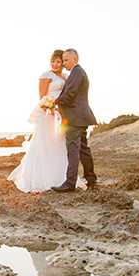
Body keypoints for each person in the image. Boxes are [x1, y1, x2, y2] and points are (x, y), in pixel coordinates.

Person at [8, 50, 77, 193]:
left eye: (59, 62)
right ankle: (41, 178)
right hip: (48, 113)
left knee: (60, 144)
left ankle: (61, 177)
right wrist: (51, 110)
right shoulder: (46, 76)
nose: (56, 64)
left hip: (62, 113)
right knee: (45, 143)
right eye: (53, 61)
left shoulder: (65, 77)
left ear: (63, 63)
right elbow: (43, 97)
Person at [51, 48, 98, 192]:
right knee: (83, 149)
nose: (64, 63)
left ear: (75, 60)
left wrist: (55, 103)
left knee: (73, 149)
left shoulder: (77, 73)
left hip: (75, 119)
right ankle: (91, 179)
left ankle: (70, 183)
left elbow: (70, 94)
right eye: (63, 60)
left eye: (66, 60)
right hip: (81, 117)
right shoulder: (78, 72)